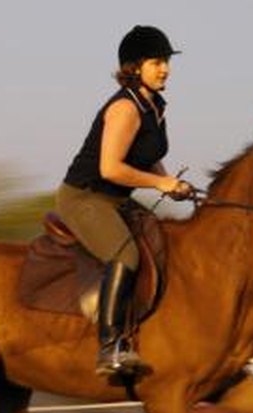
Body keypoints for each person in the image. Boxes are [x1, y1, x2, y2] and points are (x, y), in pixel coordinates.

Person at [56, 25, 193, 376]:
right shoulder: (125, 109)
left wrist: (171, 182)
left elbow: (147, 155)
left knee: (161, 240)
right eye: (157, 62)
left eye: (166, 61)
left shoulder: (153, 106)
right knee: (126, 254)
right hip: (85, 197)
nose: (165, 69)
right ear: (134, 67)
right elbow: (111, 168)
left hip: (115, 200)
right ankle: (110, 347)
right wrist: (160, 182)